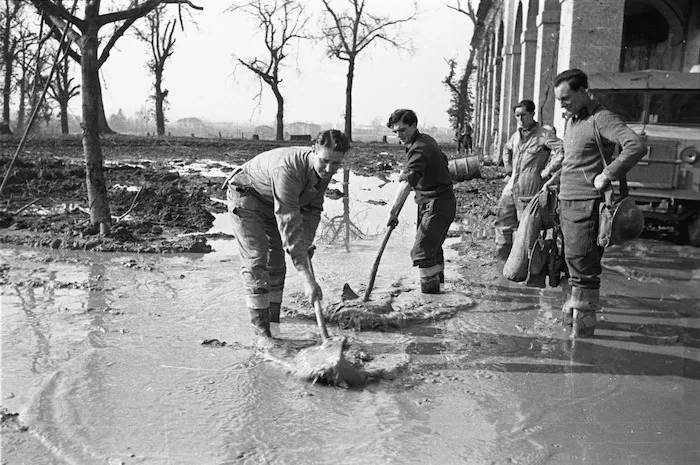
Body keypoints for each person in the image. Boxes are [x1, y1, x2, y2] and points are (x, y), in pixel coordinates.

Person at [224, 130, 350, 342]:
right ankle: (263, 336)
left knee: (277, 261)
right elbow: (289, 221)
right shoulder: (288, 170)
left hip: (275, 202)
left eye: (336, 164)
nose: (329, 169)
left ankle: (274, 322)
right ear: (314, 150)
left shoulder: (324, 172)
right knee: (256, 258)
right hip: (248, 196)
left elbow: (312, 210)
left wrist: (306, 246)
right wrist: (308, 278)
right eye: (325, 161)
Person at [552, 68, 646, 338]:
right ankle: (571, 326)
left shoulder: (601, 119)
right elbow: (574, 161)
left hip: (587, 207)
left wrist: (607, 174)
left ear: (583, 91)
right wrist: (554, 180)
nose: (562, 105)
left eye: (566, 98)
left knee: (584, 268)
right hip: (566, 204)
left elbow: (635, 145)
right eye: (559, 100)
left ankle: (582, 338)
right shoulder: (572, 121)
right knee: (568, 264)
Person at [385, 109, 456, 294]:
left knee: (422, 250)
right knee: (433, 248)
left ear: (414, 125)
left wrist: (393, 212)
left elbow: (407, 183)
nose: (399, 135)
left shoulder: (420, 147)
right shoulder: (423, 140)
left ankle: (430, 299)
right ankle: (440, 291)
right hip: (434, 201)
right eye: (395, 132)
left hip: (437, 203)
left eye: (402, 130)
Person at [494, 99, 563, 259]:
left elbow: (562, 150)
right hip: (511, 187)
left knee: (526, 227)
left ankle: (524, 265)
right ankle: (503, 261)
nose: (520, 119)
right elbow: (507, 148)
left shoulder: (544, 135)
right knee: (502, 223)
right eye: (517, 116)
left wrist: (548, 170)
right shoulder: (516, 136)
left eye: (523, 115)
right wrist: (508, 167)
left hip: (530, 186)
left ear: (532, 114)